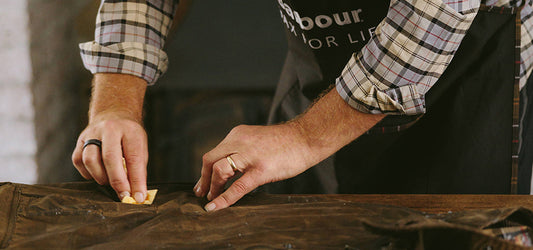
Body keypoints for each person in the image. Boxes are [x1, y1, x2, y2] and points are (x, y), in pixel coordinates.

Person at [72, 0, 533, 211]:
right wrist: (116, 103)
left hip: (464, 87)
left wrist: (306, 137)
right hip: (318, 82)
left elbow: (436, 8)